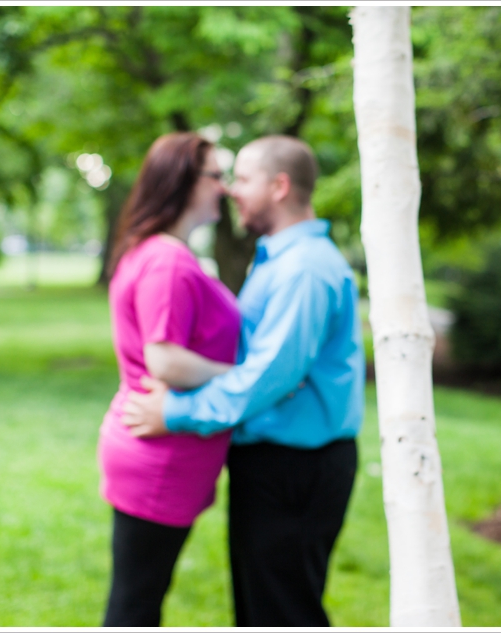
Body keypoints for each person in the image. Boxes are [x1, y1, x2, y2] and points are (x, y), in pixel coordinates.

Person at [121, 135, 365, 627]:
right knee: (265, 607)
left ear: (279, 186)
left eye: (244, 179)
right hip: (277, 463)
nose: (232, 191)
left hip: (296, 466)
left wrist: (174, 413)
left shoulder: (303, 270)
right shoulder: (278, 257)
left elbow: (267, 380)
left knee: (282, 611)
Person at [98, 132, 239, 626]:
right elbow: (165, 361)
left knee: (139, 598)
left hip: (160, 447)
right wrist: (247, 378)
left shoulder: (159, 252)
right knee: (135, 606)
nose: (224, 187)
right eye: (216, 176)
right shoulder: (167, 259)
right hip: (159, 457)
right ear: (183, 180)